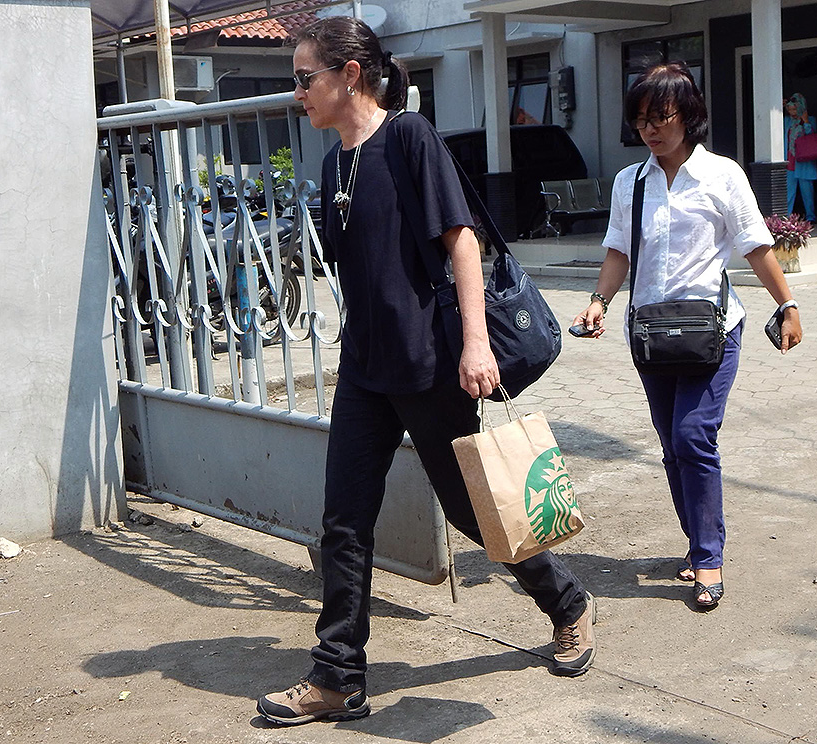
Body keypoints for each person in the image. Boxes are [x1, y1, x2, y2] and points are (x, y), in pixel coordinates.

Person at [255, 17, 597, 727]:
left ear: (348, 74)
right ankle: (338, 677)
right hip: (366, 371)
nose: (298, 94)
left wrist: (478, 343)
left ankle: (567, 602)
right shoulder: (331, 165)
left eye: (304, 78)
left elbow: (461, 242)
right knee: (344, 522)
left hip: (431, 365)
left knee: (476, 510)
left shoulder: (409, 137)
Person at [572, 63, 802, 612]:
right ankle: (697, 541)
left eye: (662, 117)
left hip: (710, 331)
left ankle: (708, 557)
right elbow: (618, 251)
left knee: (694, 435)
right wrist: (599, 301)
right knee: (673, 446)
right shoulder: (632, 182)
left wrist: (787, 305)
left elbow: (756, 246)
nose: (651, 129)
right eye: (642, 120)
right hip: (652, 333)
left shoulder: (722, 176)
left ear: (688, 116)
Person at [784, 92, 817, 223]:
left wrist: (806, 122)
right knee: (789, 191)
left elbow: (812, 135)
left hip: (804, 161)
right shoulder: (787, 121)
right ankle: (786, 217)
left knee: (807, 192)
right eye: (789, 110)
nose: (792, 112)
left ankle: (811, 216)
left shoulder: (811, 120)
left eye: (794, 109)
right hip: (789, 159)